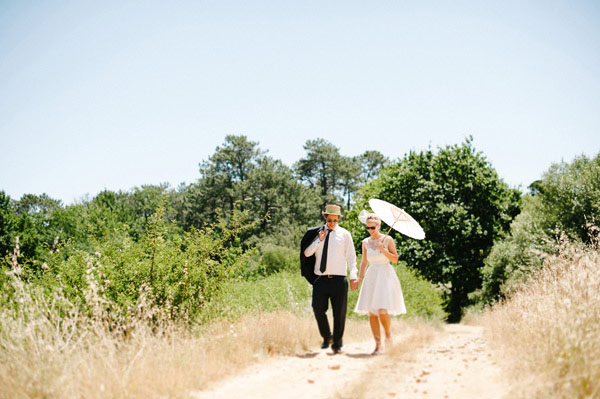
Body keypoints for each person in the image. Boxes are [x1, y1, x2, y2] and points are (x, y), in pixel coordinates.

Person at [301, 204, 359, 354]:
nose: (332, 223)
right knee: (317, 308)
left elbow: (352, 257)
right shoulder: (317, 233)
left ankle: (337, 343)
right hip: (320, 280)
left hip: (339, 280)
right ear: (325, 217)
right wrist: (319, 241)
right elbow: (307, 254)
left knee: (339, 313)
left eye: (335, 220)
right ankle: (327, 337)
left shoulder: (345, 235)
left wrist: (353, 276)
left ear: (339, 219)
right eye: (329, 219)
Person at [354, 213, 406, 355]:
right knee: (372, 313)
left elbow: (395, 259)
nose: (370, 230)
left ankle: (388, 335)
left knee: (383, 311)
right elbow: (364, 262)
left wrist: (383, 250)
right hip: (372, 275)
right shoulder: (365, 242)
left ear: (378, 226)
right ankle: (377, 344)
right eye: (368, 227)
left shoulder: (388, 239)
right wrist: (359, 277)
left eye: (372, 227)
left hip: (385, 275)